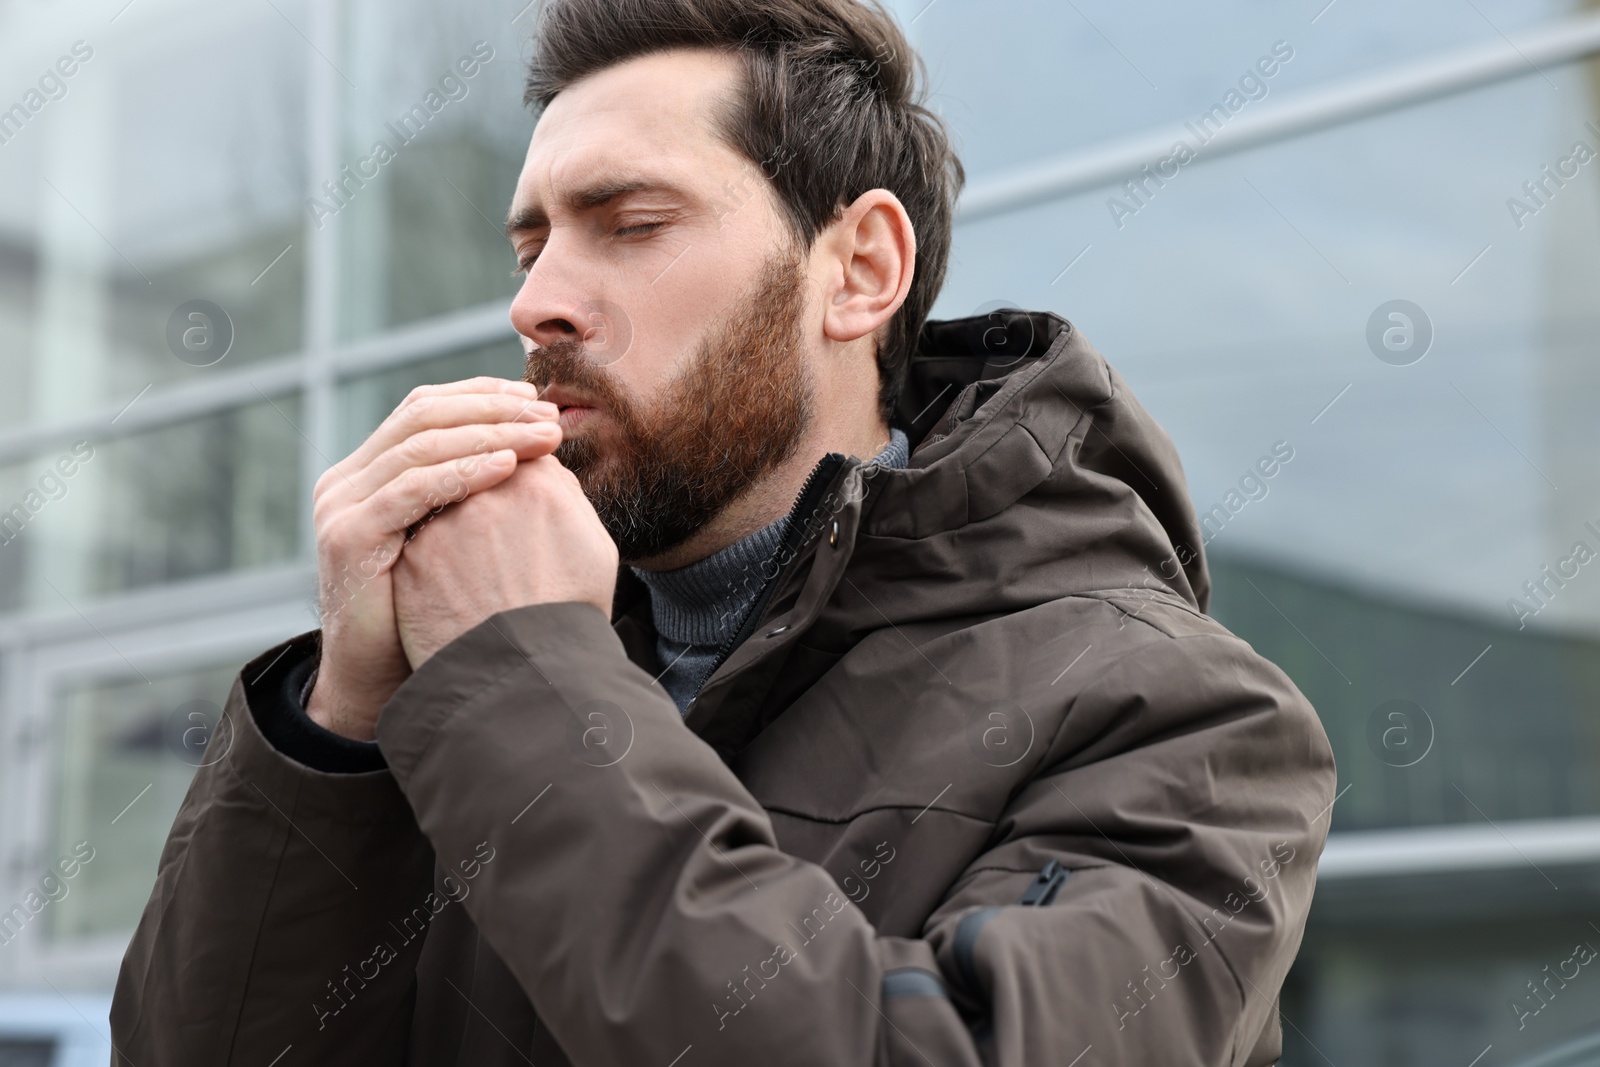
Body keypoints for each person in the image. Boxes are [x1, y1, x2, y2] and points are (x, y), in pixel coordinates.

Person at [111, 1, 1335, 1064]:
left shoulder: (1184, 719)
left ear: (857, 269)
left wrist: (526, 678)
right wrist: (343, 722)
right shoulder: (464, 676)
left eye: (630, 223)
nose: (534, 301)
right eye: (530, 242)